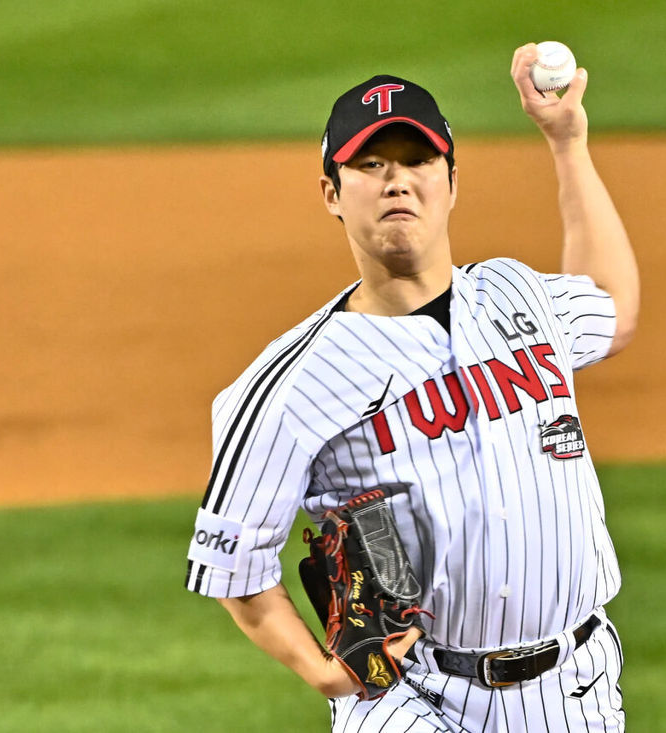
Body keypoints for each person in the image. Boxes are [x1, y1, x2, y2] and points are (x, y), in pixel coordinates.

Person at [185, 43, 640, 732]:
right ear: (332, 194)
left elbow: (611, 303)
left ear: (451, 183)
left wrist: (568, 142)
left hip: (578, 685)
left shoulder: (518, 294)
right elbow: (232, 562)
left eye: (418, 160)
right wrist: (321, 670)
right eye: (371, 164)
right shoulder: (292, 381)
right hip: (415, 699)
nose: (397, 180)